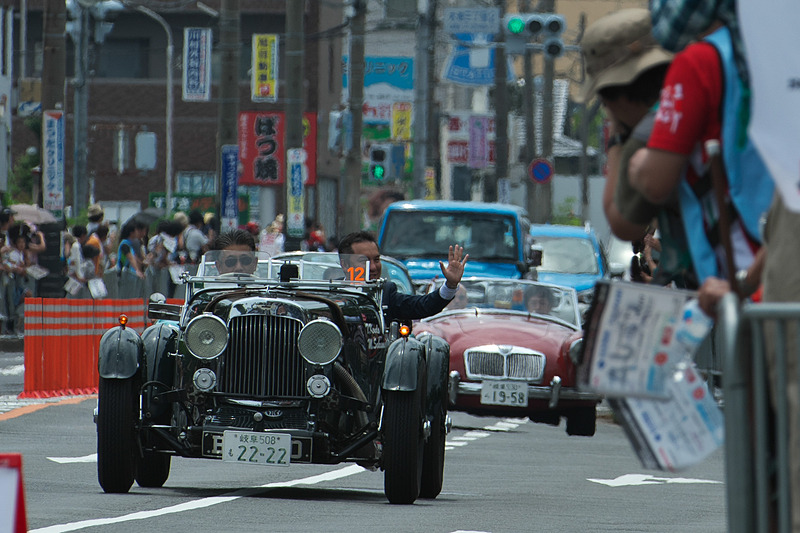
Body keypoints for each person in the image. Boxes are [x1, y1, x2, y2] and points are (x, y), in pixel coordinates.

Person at [337, 231, 467, 322]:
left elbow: (423, 306)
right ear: (345, 264)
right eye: (363, 261)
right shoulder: (331, 292)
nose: (373, 267)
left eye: (376, 260)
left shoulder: (386, 293)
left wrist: (450, 285)